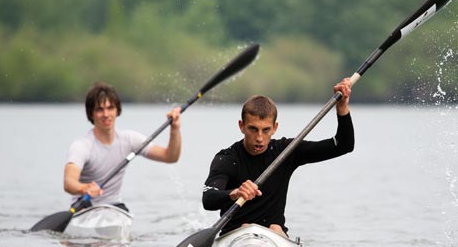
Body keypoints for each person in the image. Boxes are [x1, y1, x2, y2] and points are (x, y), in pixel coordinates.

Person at [202, 78, 354, 237]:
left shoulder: (286, 151)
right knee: (246, 226)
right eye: (253, 129)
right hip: (236, 236)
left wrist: (342, 107)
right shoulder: (227, 158)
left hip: (274, 236)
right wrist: (234, 193)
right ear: (241, 126)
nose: (259, 138)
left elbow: (343, 145)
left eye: (266, 130)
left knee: (275, 228)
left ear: (275, 128)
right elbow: (208, 199)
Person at [63, 82, 182, 211]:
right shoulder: (82, 146)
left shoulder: (130, 139)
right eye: (99, 109)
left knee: (123, 211)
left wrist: (174, 130)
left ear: (117, 110)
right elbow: (69, 182)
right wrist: (84, 188)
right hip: (84, 207)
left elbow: (170, 157)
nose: (106, 114)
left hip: (114, 206)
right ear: (91, 114)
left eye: (110, 108)